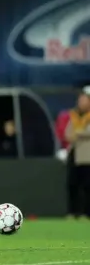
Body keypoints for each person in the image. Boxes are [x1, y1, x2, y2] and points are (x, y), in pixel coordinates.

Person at [64, 86, 90, 220]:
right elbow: (68, 134)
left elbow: (80, 133)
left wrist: (79, 133)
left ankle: (87, 213)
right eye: (80, 99)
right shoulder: (74, 116)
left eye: (84, 99)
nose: (81, 102)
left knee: (87, 186)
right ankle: (72, 213)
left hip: (87, 156)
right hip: (74, 153)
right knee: (72, 184)